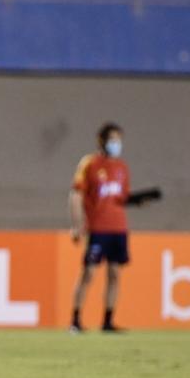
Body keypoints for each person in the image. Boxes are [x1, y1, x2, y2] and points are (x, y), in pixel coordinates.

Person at [69, 122, 141, 333]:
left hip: (118, 228)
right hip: (98, 228)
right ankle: (75, 320)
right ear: (102, 141)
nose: (116, 144)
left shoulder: (122, 168)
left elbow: (121, 197)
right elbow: (76, 194)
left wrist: (137, 200)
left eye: (119, 139)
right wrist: (77, 224)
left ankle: (108, 321)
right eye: (113, 139)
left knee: (114, 274)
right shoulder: (90, 164)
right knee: (88, 273)